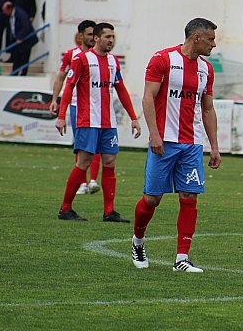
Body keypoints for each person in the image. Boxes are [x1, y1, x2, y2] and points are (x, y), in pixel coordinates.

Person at [131, 18, 221, 273]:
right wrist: (155, 135)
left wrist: (213, 146)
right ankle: (138, 241)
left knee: (189, 196)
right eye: (211, 39)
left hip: (191, 144)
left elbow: (208, 108)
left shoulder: (207, 69)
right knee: (152, 198)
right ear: (196, 38)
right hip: (164, 142)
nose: (214, 44)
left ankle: (182, 258)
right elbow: (148, 96)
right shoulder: (163, 59)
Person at [55, 22, 141, 221]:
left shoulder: (113, 62)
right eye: (107, 37)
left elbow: (121, 90)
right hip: (88, 120)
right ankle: (65, 208)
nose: (111, 40)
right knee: (83, 162)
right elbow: (69, 87)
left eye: (113, 37)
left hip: (108, 122)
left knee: (110, 161)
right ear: (96, 38)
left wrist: (133, 117)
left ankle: (109, 212)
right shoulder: (82, 59)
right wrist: (61, 116)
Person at [50, 20, 102, 194]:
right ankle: (82, 182)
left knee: (98, 144)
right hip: (76, 104)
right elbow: (61, 78)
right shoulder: (71, 55)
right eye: (89, 34)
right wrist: (54, 99)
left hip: (98, 106)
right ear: (80, 36)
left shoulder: (103, 56)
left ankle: (93, 180)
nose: (92, 38)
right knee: (81, 145)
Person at [2, 2, 37, 76]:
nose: (4, 13)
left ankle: (22, 73)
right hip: (18, 41)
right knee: (16, 57)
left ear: (10, 9)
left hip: (26, 40)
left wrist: (20, 37)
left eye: (5, 10)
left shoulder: (21, 14)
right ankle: (15, 73)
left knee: (24, 58)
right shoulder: (11, 16)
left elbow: (26, 26)